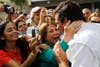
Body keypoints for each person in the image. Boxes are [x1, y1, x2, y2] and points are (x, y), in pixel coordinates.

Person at [56, 0, 100, 67]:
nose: (57, 27)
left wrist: (61, 61)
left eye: (57, 23)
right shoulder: (97, 26)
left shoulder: (78, 42)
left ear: (65, 21)